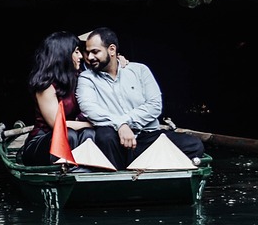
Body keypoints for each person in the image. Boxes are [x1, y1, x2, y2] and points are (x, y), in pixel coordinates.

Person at [76, 26, 205, 167]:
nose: (89, 57)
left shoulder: (140, 70)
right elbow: (89, 107)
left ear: (112, 50)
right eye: (88, 53)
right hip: (115, 139)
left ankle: (138, 165)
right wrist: (120, 126)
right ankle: (123, 176)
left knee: (194, 145)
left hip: (147, 136)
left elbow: (155, 105)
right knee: (105, 136)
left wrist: (125, 123)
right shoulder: (87, 77)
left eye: (95, 52)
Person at [20, 31, 96, 166]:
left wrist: (119, 61)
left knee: (89, 134)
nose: (81, 56)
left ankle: (86, 171)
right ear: (64, 55)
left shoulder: (79, 77)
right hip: (43, 141)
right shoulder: (46, 86)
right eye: (76, 52)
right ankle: (63, 175)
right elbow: (57, 125)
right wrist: (94, 124)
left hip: (72, 134)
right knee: (69, 135)